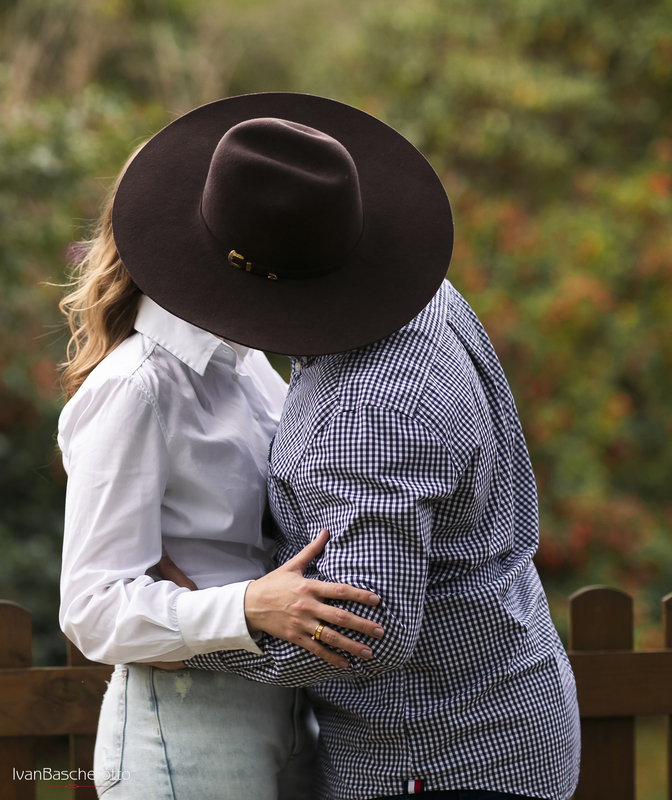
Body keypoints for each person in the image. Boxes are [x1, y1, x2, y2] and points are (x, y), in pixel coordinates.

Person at [113, 93, 581, 799]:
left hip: (438, 762)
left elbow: (363, 632)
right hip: (501, 711)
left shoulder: (367, 412)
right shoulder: (415, 293)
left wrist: (197, 633)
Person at [57, 124, 384, 796]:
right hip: (186, 724)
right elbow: (90, 607)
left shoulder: (249, 364)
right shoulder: (137, 386)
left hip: (289, 711)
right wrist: (247, 606)